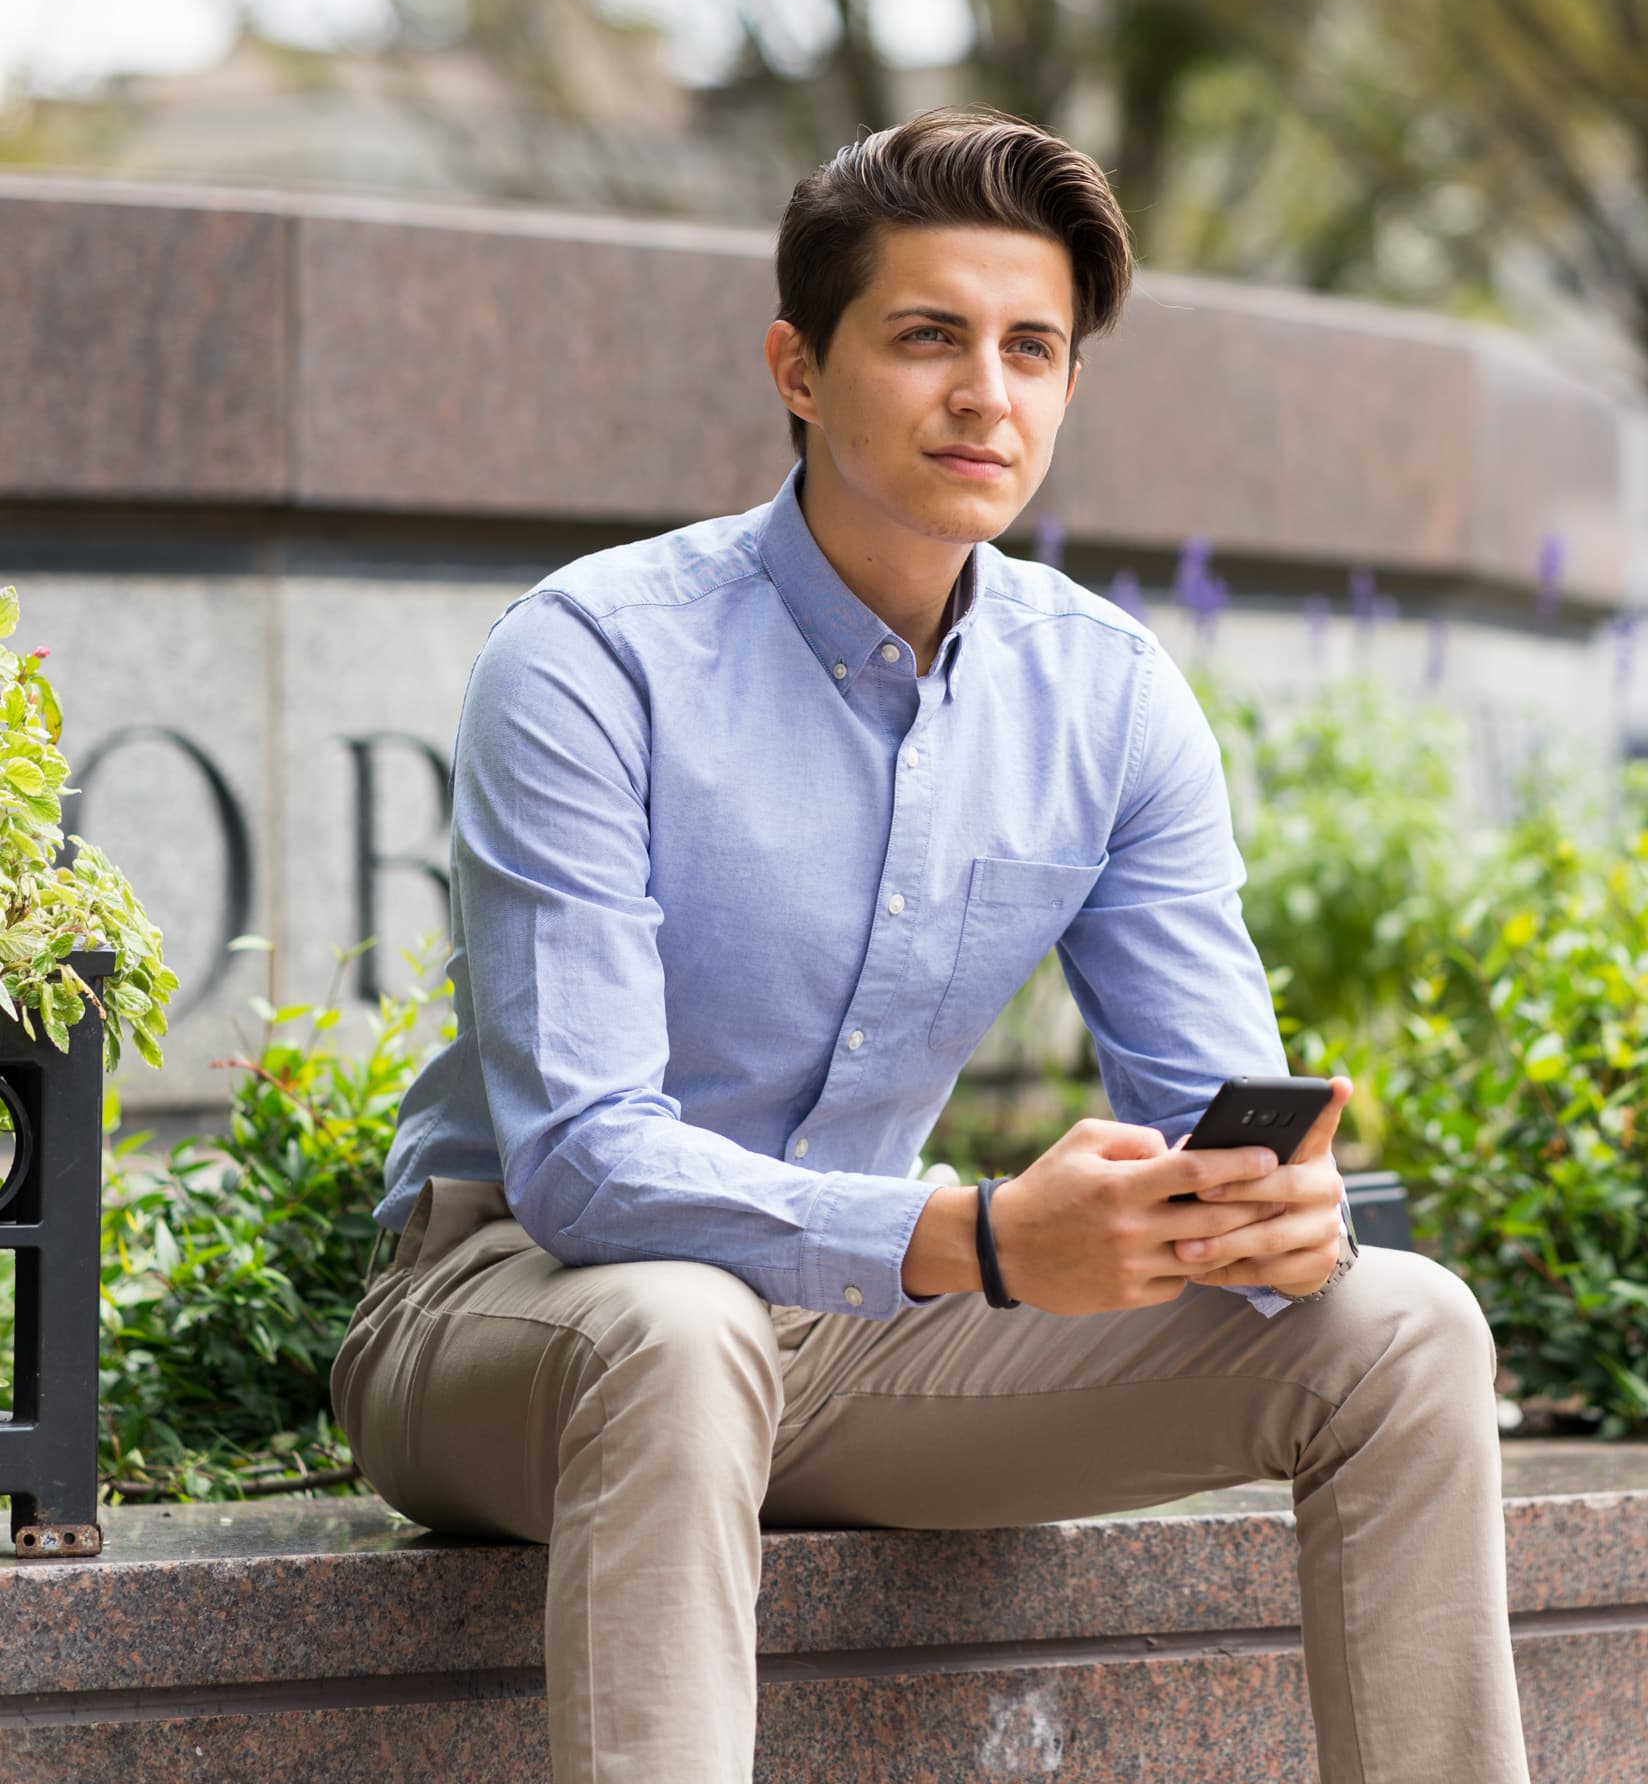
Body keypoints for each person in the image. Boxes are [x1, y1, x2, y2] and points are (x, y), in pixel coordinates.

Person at [332, 108, 1530, 1784]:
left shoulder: (1106, 695)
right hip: (519, 1311)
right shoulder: (592, 658)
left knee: (1407, 1326)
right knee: (681, 1325)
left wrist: (1268, 1216)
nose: (989, 392)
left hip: (865, 1344)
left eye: (1033, 348)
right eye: (928, 337)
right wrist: (978, 1236)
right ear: (798, 369)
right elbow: (589, 1164)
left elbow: (1212, 1104)